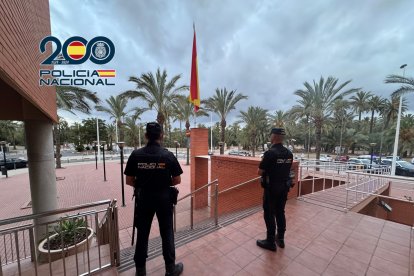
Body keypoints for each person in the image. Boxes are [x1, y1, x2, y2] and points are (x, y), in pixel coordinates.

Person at [124, 122, 184, 276]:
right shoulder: (168, 155)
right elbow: (177, 180)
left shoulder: (136, 155)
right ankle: (170, 269)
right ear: (161, 136)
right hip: (164, 199)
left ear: (145, 136)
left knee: (142, 234)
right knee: (167, 233)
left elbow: (129, 181)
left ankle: (140, 271)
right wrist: (163, 183)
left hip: (144, 199)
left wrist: (144, 184)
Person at [256, 128, 293, 251]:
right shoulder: (289, 153)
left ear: (275, 136)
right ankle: (280, 239)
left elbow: (259, 172)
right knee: (280, 212)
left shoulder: (270, 153)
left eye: (271, 134)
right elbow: (287, 170)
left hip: (272, 189)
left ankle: (270, 241)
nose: (270, 136)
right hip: (284, 187)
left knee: (269, 213)